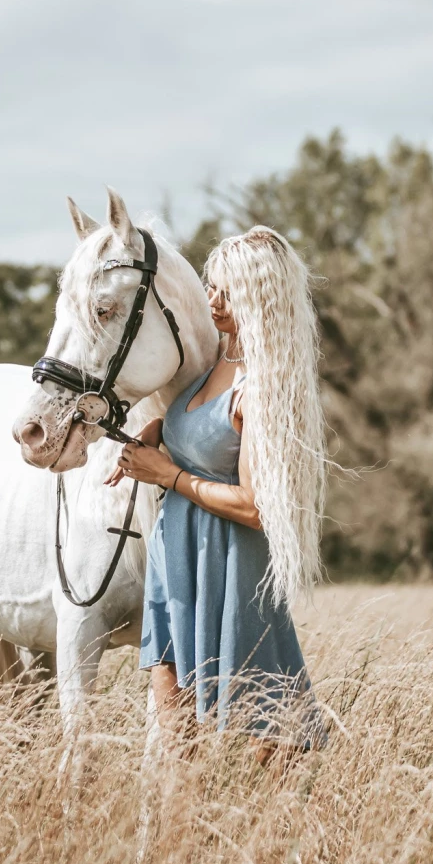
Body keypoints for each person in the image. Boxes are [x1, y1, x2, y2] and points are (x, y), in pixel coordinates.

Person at [108, 225, 327, 759]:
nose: (212, 302)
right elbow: (207, 435)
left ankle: (275, 840)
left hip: (230, 569)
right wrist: (164, 430)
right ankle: (177, 840)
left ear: (259, 300)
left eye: (226, 293)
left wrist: (168, 475)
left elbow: (255, 508)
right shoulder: (212, 367)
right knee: (175, 745)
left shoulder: (266, 388)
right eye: (211, 287)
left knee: (267, 746)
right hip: (177, 561)